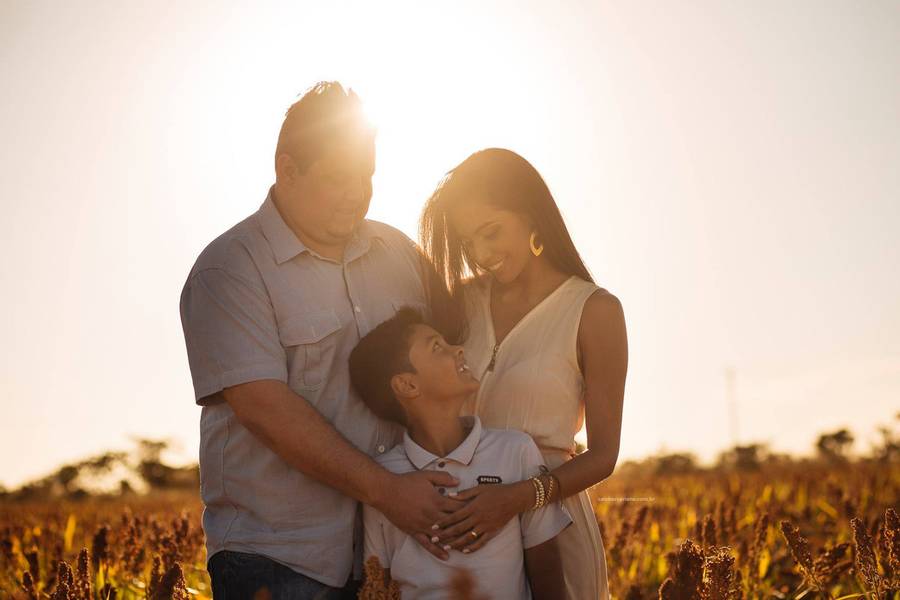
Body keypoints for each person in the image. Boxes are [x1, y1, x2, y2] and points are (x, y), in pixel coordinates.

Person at [179, 82, 462, 599]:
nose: (357, 193)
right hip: (280, 558)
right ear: (287, 169)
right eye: (338, 178)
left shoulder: (398, 252)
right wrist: (387, 492)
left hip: (395, 550)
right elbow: (264, 407)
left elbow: (459, 349)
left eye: (367, 176)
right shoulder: (230, 269)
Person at [419, 148, 628, 600]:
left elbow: (604, 455)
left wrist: (519, 498)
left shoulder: (595, 311)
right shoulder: (460, 303)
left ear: (531, 214)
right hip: (467, 529)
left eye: (491, 232)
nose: (481, 254)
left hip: (555, 525)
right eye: (469, 241)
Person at [349, 308, 570, 600]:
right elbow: (377, 584)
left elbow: (549, 578)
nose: (459, 349)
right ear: (408, 385)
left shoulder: (515, 451)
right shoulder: (384, 479)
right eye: (437, 346)